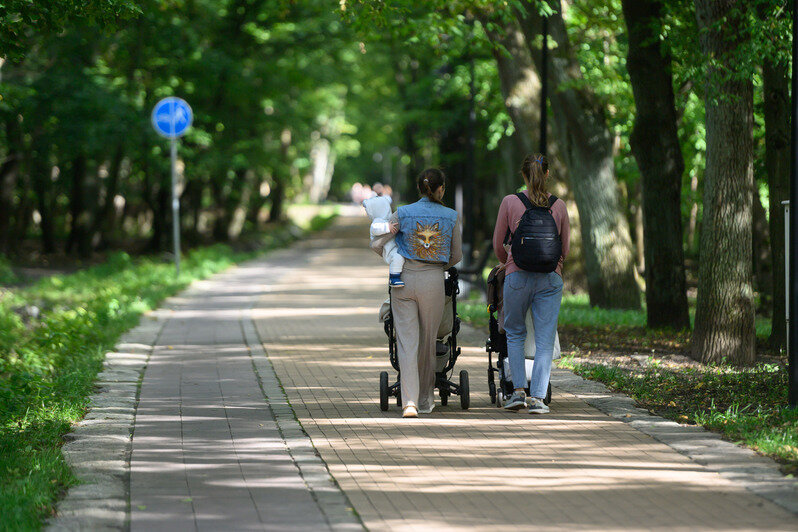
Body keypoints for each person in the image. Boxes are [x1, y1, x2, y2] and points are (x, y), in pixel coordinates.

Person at [492, 154, 570, 414]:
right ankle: (538, 398)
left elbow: (498, 244)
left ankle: (517, 393)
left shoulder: (510, 202)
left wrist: (508, 262)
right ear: (547, 174)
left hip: (517, 275)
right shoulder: (559, 205)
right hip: (550, 277)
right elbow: (565, 249)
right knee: (545, 339)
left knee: (515, 333)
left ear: (523, 174)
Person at [388, 168, 462, 418]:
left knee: (407, 342)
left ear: (420, 188)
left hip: (404, 280)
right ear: (441, 189)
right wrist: (438, 265)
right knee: (429, 342)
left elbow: (378, 241)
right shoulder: (451, 216)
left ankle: (408, 402)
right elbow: (456, 255)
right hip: (433, 280)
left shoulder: (402, 212)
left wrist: (394, 258)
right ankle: (425, 399)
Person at [362, 194, 405, 287]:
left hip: (393, 246)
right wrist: (387, 227)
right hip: (388, 249)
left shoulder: (389, 219)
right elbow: (375, 229)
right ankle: (394, 278)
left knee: (399, 257)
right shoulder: (378, 221)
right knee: (397, 257)